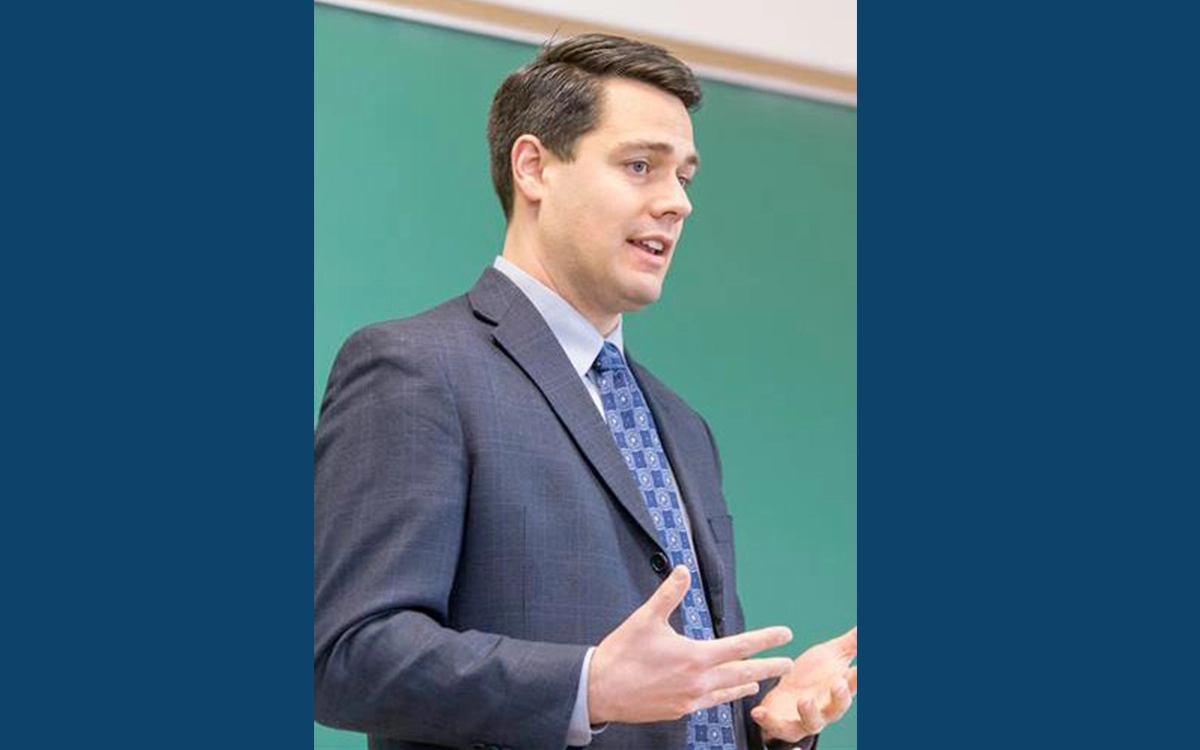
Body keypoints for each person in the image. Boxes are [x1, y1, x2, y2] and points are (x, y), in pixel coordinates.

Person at [314, 33, 856, 750]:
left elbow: (673, 685)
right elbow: (346, 655)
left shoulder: (681, 427)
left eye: (685, 177)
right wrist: (587, 686)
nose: (677, 204)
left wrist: (769, 721)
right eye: (640, 166)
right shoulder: (415, 368)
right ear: (534, 167)